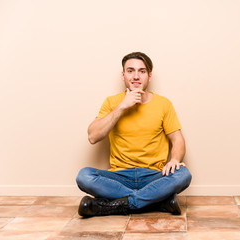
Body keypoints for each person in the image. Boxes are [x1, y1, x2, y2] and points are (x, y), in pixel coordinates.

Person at [76, 52, 192, 217]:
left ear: (149, 76)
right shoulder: (112, 102)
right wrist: (123, 106)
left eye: (142, 71)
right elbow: (93, 136)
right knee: (84, 176)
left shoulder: (163, 104)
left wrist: (174, 160)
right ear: (123, 76)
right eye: (130, 71)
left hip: (154, 175)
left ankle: (116, 205)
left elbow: (177, 139)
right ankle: (157, 201)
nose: (136, 76)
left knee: (183, 174)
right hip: (119, 176)